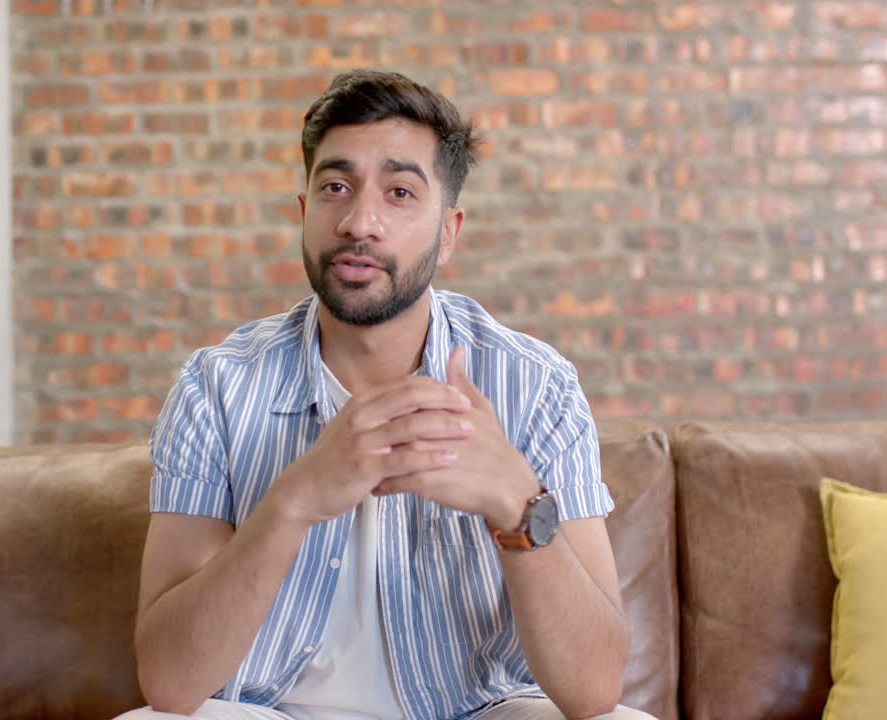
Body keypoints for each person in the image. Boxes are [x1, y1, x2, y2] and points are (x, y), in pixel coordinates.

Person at [118, 69, 653, 720]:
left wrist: (518, 503)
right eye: (336, 187)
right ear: (305, 212)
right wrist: (293, 502)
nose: (359, 221)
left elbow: (595, 689)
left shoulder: (535, 386)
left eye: (400, 192)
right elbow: (169, 685)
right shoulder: (217, 388)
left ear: (448, 231)